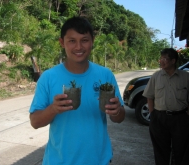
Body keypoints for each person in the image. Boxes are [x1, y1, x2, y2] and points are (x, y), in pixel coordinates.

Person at [29, 16, 125, 165]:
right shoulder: (48, 77)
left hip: (99, 160)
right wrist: (53, 109)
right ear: (62, 43)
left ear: (92, 41)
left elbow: (119, 118)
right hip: (58, 161)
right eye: (72, 41)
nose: (78, 47)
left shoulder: (105, 75)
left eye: (84, 40)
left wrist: (117, 110)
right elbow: (35, 122)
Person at [143, 48, 189, 165]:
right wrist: (153, 114)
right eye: (161, 58)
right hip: (159, 118)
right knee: (160, 151)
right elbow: (149, 96)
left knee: (180, 151)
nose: (161, 61)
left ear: (173, 61)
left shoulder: (185, 77)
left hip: (180, 118)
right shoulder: (156, 76)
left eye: (165, 58)